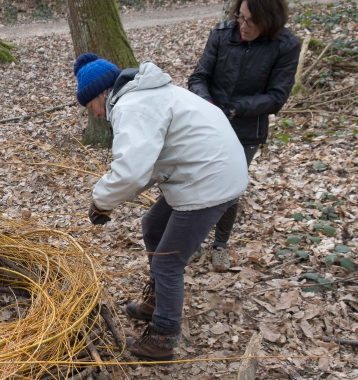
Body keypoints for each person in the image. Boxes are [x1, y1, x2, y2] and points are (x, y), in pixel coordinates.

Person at [74, 53, 248, 361]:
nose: (96, 116)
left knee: (169, 261)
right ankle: (157, 300)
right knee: (152, 226)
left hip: (209, 180)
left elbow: (131, 170)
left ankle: (163, 338)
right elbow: (151, 164)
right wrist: (109, 201)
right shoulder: (147, 95)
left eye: (92, 108)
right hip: (206, 171)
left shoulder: (132, 107)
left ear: (102, 94)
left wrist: (101, 202)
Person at [188, 0, 300, 271]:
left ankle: (220, 245)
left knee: (230, 189)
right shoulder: (221, 34)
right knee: (194, 180)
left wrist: (235, 110)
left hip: (247, 129)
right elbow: (198, 77)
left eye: (251, 21)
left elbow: (276, 97)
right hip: (209, 123)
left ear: (269, 20)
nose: (244, 25)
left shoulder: (286, 45)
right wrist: (210, 106)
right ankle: (192, 241)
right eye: (241, 17)